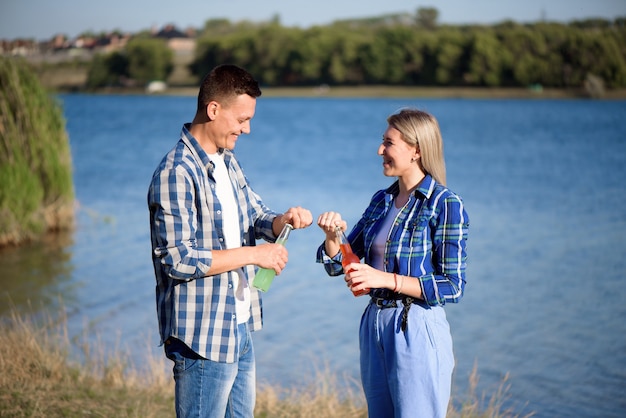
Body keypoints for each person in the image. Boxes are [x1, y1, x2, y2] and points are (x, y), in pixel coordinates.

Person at [148, 64, 312, 418]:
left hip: (238, 325)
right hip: (202, 337)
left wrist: (283, 220)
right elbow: (179, 260)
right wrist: (255, 254)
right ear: (213, 110)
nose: (247, 129)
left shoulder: (227, 161)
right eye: (242, 119)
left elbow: (255, 216)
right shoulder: (176, 173)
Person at [316, 108, 469, 418]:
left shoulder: (445, 203)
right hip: (374, 324)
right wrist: (333, 237)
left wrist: (385, 280)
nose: (379, 150)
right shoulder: (381, 201)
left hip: (415, 324)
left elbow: (452, 286)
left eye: (388, 143)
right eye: (381, 141)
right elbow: (343, 265)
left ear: (416, 150)